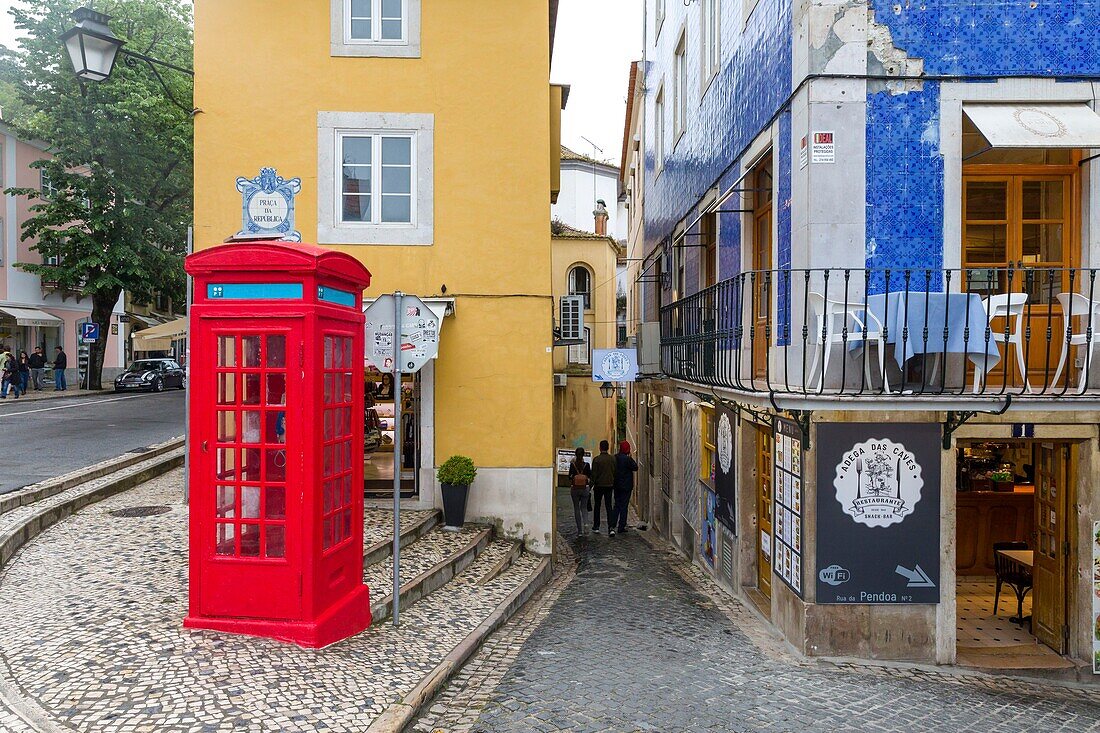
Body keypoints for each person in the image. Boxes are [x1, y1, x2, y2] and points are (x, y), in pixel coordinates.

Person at [611, 440, 639, 533]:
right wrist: (630, 457)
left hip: (617, 485)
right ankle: (621, 526)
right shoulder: (627, 459)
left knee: (617, 505)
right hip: (626, 486)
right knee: (624, 506)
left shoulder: (615, 458)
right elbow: (635, 467)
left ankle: (612, 525)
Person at [591, 439, 616, 536]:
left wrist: (591, 486)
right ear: (608, 448)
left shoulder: (597, 460)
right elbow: (615, 472)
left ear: (600, 448)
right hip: (609, 485)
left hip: (599, 485)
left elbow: (594, 474)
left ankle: (596, 526)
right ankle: (611, 527)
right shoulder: (612, 459)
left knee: (597, 506)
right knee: (609, 506)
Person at [567, 447, 592, 537]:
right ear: (583, 454)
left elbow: (569, 477)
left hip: (575, 489)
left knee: (576, 508)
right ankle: (586, 524)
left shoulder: (573, 465)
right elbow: (590, 476)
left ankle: (580, 531)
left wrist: (574, 476)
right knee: (584, 508)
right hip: (585, 489)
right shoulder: (587, 465)